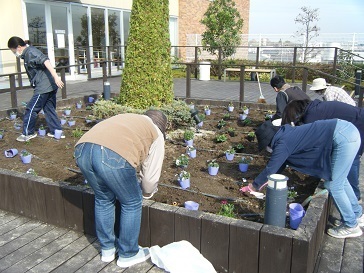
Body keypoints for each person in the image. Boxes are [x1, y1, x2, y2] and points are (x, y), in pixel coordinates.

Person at [240, 119, 364, 239]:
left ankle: (350, 225)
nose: (267, 150)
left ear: (269, 142)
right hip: (348, 131)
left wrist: (253, 186)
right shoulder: (287, 133)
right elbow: (280, 165)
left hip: (343, 138)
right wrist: (262, 184)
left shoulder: (282, 144)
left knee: (333, 185)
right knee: (341, 181)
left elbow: (271, 168)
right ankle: (357, 214)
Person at [74, 110, 167, 268]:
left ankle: (107, 250)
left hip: (82, 150)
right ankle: (128, 254)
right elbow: (149, 181)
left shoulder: (129, 118)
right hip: (111, 154)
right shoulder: (156, 132)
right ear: (162, 126)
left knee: (103, 199)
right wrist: (146, 193)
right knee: (132, 201)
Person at [282, 99, 364, 201]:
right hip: (355, 122)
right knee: (346, 163)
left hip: (359, 124)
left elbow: (314, 143)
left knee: (352, 160)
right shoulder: (314, 108)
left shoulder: (311, 116)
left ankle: (354, 196)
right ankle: (352, 196)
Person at [7, 36, 64, 142]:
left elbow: (45, 61)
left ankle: (28, 133)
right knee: (49, 108)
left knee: (31, 109)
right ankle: (56, 131)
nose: (14, 53)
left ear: (19, 47)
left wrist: (56, 77)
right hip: (49, 85)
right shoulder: (27, 53)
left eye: (13, 51)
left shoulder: (30, 52)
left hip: (44, 86)